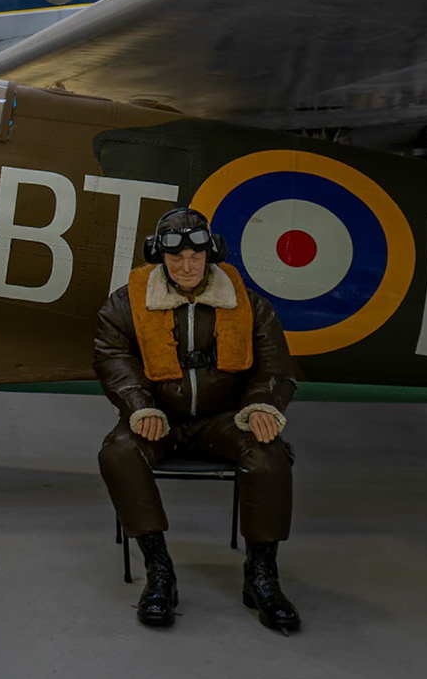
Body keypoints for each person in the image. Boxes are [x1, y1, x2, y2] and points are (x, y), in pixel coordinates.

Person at [94, 208, 301, 633]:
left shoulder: (248, 304)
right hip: (160, 418)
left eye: (196, 256)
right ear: (159, 257)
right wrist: (139, 406)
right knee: (118, 453)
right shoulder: (126, 304)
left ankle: (261, 574)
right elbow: (112, 358)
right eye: (176, 258)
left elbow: (274, 365)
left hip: (223, 419)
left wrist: (263, 405)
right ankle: (159, 571)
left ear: (212, 255)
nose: (187, 267)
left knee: (270, 455)